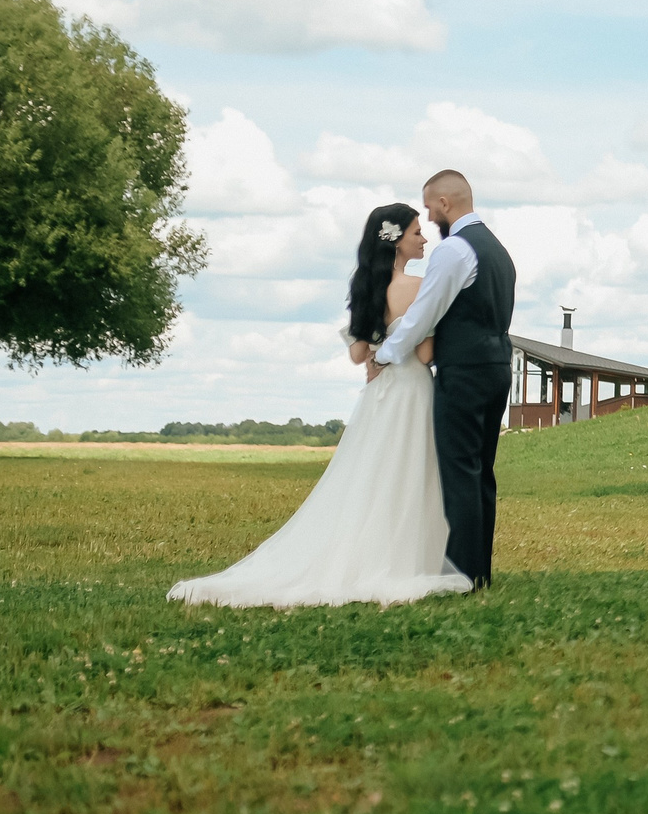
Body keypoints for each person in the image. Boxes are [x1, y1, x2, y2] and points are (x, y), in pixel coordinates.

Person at [168, 203, 471, 608]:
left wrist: (382, 348)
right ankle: (402, 559)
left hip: (378, 399)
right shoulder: (417, 287)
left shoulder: (365, 288)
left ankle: (363, 554)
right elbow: (422, 355)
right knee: (409, 472)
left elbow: (358, 355)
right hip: (413, 391)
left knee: (371, 475)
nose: (423, 238)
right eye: (416, 232)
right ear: (396, 240)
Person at [371, 170, 517, 588]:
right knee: (481, 472)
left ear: (446, 203)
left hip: (465, 372)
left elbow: (424, 314)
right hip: (497, 368)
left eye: (430, 207)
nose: (429, 218)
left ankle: (460, 574)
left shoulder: (455, 250)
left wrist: (385, 353)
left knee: (459, 473)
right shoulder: (498, 250)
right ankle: (479, 572)